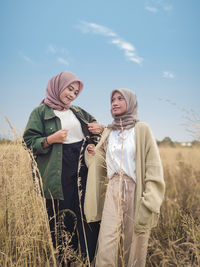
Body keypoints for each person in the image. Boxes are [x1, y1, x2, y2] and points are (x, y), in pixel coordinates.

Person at [23, 71, 104, 266]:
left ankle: (86, 260)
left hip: (83, 171)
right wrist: (50, 139)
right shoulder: (40, 112)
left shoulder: (78, 111)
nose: (72, 94)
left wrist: (98, 133)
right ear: (58, 86)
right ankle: (65, 260)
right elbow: (28, 141)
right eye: (69, 89)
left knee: (87, 216)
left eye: (76, 92)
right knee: (62, 220)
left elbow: (96, 134)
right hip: (57, 174)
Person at [84, 88, 165, 267]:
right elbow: (100, 162)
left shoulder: (142, 129)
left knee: (133, 244)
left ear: (131, 102)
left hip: (135, 190)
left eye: (120, 98)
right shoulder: (109, 131)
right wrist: (93, 153)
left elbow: (153, 167)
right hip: (112, 188)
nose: (115, 102)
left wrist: (149, 202)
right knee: (107, 242)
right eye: (112, 99)